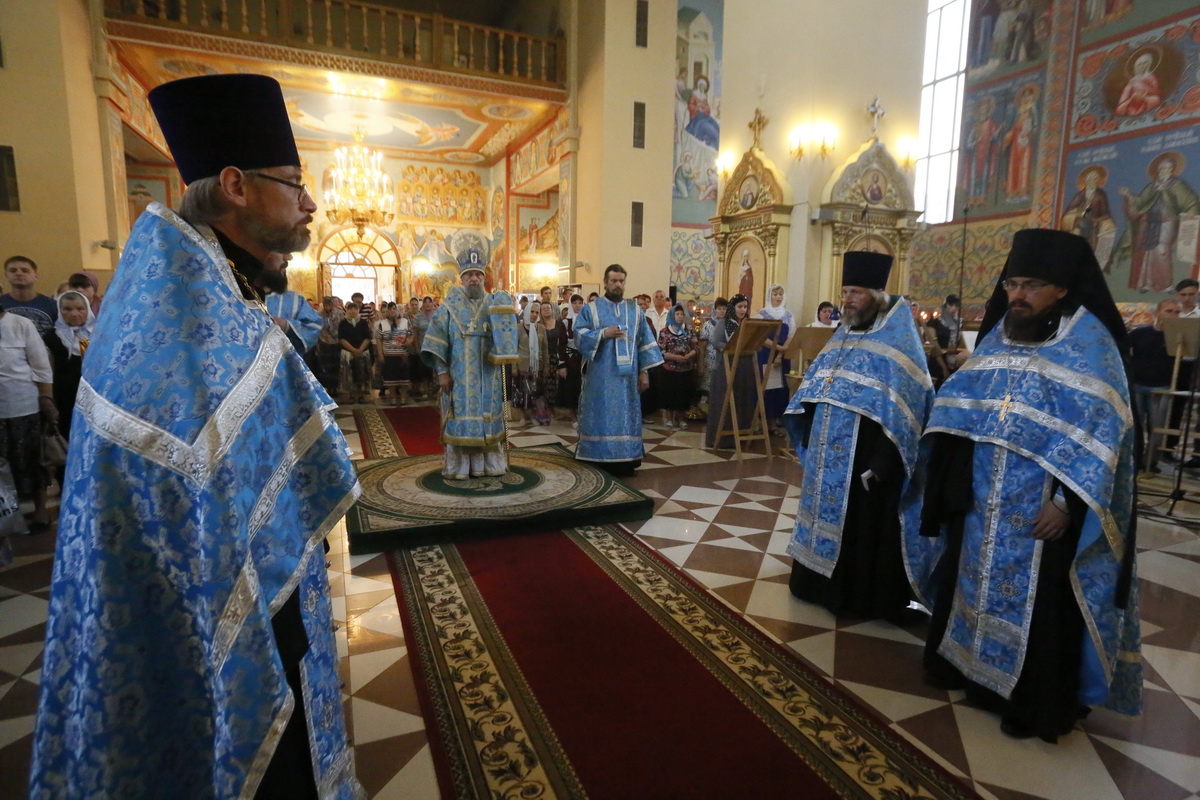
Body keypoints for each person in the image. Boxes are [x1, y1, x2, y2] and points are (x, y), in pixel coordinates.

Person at [30, 73, 362, 799]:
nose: (310, 204)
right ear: (237, 187)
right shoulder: (204, 338)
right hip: (234, 639)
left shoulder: (170, 299)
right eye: (295, 184)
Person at [904, 228, 1142, 743]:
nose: (1018, 295)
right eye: (1012, 283)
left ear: (1060, 288)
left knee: (1042, 607)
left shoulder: (1092, 349)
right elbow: (963, 408)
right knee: (969, 586)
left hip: (1042, 512)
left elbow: (1101, 436)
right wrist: (951, 483)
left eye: (1032, 285)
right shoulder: (997, 337)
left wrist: (1065, 504)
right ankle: (969, 671)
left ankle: (1030, 702)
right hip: (981, 501)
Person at [783, 252, 933, 621]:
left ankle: (856, 594)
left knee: (862, 527)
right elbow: (819, 384)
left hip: (866, 460)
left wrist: (882, 461)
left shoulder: (899, 344)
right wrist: (807, 421)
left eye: (856, 293)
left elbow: (908, 410)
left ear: (878, 296)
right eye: (845, 291)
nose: (847, 299)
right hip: (827, 454)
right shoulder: (844, 334)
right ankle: (813, 580)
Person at [421, 248, 517, 479]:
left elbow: (507, 336)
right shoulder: (448, 307)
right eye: (469, 275)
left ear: (484, 278)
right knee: (461, 420)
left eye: (478, 275)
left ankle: (489, 466)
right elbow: (436, 342)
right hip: (459, 377)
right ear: (461, 278)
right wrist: (442, 373)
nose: (474, 279)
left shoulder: (495, 304)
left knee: (489, 419)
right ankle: (460, 469)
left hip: (489, 375)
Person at [574, 264, 663, 475]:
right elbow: (579, 336)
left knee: (626, 416)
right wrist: (603, 333)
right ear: (605, 282)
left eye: (621, 281)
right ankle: (598, 457)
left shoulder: (635, 310)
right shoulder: (592, 309)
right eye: (613, 280)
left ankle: (626, 459)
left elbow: (644, 342)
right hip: (600, 378)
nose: (617, 284)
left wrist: (644, 372)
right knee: (601, 415)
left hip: (627, 379)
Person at [0, 287, 56, 533]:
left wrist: (47, 398)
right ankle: (8, 516)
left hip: (23, 405)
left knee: (32, 460)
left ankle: (41, 511)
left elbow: (41, 366)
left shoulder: (20, 324)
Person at [1114, 153, 1200, 292]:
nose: (1163, 171)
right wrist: (1129, 194)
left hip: (1168, 220)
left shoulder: (1177, 184)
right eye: (1161, 168)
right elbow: (1141, 201)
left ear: (1172, 169)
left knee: (1162, 250)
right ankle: (1146, 283)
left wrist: (1192, 210)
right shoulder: (1153, 186)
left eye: (1167, 168)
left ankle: (1165, 285)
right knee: (1146, 252)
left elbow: (1191, 200)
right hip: (1149, 221)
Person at [1128, 299, 1180, 469]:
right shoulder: (1140, 334)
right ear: (1158, 312)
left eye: (1176, 312)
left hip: (1161, 388)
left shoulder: (1179, 338)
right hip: (1137, 385)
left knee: (1157, 428)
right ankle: (1133, 462)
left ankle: (1150, 463)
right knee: (1135, 426)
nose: (1173, 315)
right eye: (1169, 311)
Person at [705, 294, 757, 449]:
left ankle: (742, 436)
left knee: (742, 400)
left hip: (744, 367)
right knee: (725, 402)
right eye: (739, 307)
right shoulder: (724, 323)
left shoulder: (748, 324)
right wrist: (730, 348)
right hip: (726, 365)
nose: (743, 310)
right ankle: (723, 439)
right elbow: (716, 342)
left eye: (745, 307)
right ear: (733, 308)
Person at [41, 291, 95, 439]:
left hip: (93, 396)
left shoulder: (97, 334)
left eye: (80, 309)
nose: (74, 314)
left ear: (87, 309)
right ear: (59, 310)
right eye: (67, 309)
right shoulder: (52, 337)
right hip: (64, 398)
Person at [261, 252, 323, 356]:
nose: (289, 257)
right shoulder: (235, 293)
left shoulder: (294, 301)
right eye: (282, 250)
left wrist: (287, 326)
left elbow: (314, 327)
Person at [757, 283, 796, 435]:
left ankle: (774, 424)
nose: (778, 297)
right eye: (775, 294)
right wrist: (776, 349)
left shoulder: (788, 315)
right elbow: (761, 336)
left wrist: (780, 354)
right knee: (765, 387)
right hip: (766, 354)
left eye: (780, 294)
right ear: (769, 296)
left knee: (780, 389)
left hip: (783, 357)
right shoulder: (762, 313)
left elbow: (792, 335)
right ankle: (761, 422)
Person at [657, 302, 698, 429]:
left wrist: (689, 355)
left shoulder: (688, 330)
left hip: (685, 369)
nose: (680, 316)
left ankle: (681, 419)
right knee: (669, 394)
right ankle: (668, 419)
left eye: (682, 314)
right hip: (669, 369)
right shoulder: (664, 332)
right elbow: (661, 351)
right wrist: (675, 357)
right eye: (677, 314)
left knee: (683, 395)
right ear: (672, 315)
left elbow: (695, 347)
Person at [2, 255, 58, 337]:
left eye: (25, 271)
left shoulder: (53, 305)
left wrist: (83, 348)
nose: (19, 273)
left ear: (36, 276)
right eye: (13, 270)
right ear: (6, 276)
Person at [514, 301, 550, 425]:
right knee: (522, 391)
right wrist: (514, 366)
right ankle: (523, 417)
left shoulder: (541, 328)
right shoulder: (518, 328)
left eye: (536, 312)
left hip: (537, 365)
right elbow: (514, 348)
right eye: (532, 312)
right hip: (522, 364)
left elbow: (545, 348)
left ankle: (535, 416)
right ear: (527, 312)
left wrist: (546, 365)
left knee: (536, 391)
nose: (534, 315)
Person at [374, 301, 412, 405]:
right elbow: (378, 340)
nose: (392, 311)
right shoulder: (382, 324)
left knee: (403, 377)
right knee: (391, 377)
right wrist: (380, 354)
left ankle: (404, 396)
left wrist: (408, 342)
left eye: (394, 309)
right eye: (390, 309)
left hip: (402, 354)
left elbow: (410, 334)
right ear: (386, 312)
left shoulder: (405, 322)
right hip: (389, 355)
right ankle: (393, 397)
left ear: (397, 311)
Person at [539, 299, 569, 421]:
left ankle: (558, 409)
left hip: (557, 357)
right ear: (540, 312)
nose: (546, 310)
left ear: (552, 310)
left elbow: (563, 342)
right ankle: (546, 410)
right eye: (543, 308)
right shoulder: (539, 326)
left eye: (548, 307)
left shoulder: (559, 324)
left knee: (557, 384)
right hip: (544, 358)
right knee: (545, 384)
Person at [338, 301, 374, 403]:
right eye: (350, 309)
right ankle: (352, 396)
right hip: (348, 352)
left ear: (358, 310)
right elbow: (341, 338)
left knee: (362, 374)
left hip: (362, 351)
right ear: (347, 310)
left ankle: (362, 395)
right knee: (349, 375)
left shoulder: (363, 322)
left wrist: (360, 350)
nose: (353, 311)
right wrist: (353, 350)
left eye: (355, 309)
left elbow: (367, 337)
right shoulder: (343, 323)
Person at [558, 293, 585, 421]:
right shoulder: (565, 322)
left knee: (583, 386)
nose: (577, 306)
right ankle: (573, 415)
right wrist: (562, 364)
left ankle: (582, 414)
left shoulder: (587, 321)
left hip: (584, 359)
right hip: (570, 359)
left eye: (580, 303)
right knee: (570, 386)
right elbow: (561, 344)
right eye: (574, 303)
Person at [911, 300, 951, 385]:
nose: (913, 312)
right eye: (911, 309)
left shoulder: (920, 322)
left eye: (915, 309)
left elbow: (931, 342)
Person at [698, 297, 728, 402]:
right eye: (720, 308)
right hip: (710, 361)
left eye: (724, 309)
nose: (722, 311)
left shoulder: (729, 325)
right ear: (715, 310)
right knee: (708, 390)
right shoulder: (708, 325)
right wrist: (701, 365)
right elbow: (702, 347)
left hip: (725, 361)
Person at [1115, 51, 1162, 117]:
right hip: (1133, 101)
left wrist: (1144, 93)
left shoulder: (1151, 77)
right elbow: (1125, 95)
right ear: (1136, 67)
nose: (1142, 66)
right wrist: (1132, 98)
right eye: (1139, 64)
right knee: (1120, 108)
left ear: (1148, 64)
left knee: (1156, 99)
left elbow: (1157, 91)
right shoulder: (1132, 81)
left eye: (1145, 63)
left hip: (1146, 99)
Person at [316, 296, 344, 395]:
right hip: (324, 342)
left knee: (336, 365)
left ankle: (336, 387)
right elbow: (316, 329)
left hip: (337, 342)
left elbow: (342, 327)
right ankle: (328, 387)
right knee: (325, 366)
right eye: (326, 305)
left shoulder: (339, 313)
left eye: (330, 304)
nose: (328, 307)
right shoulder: (319, 314)